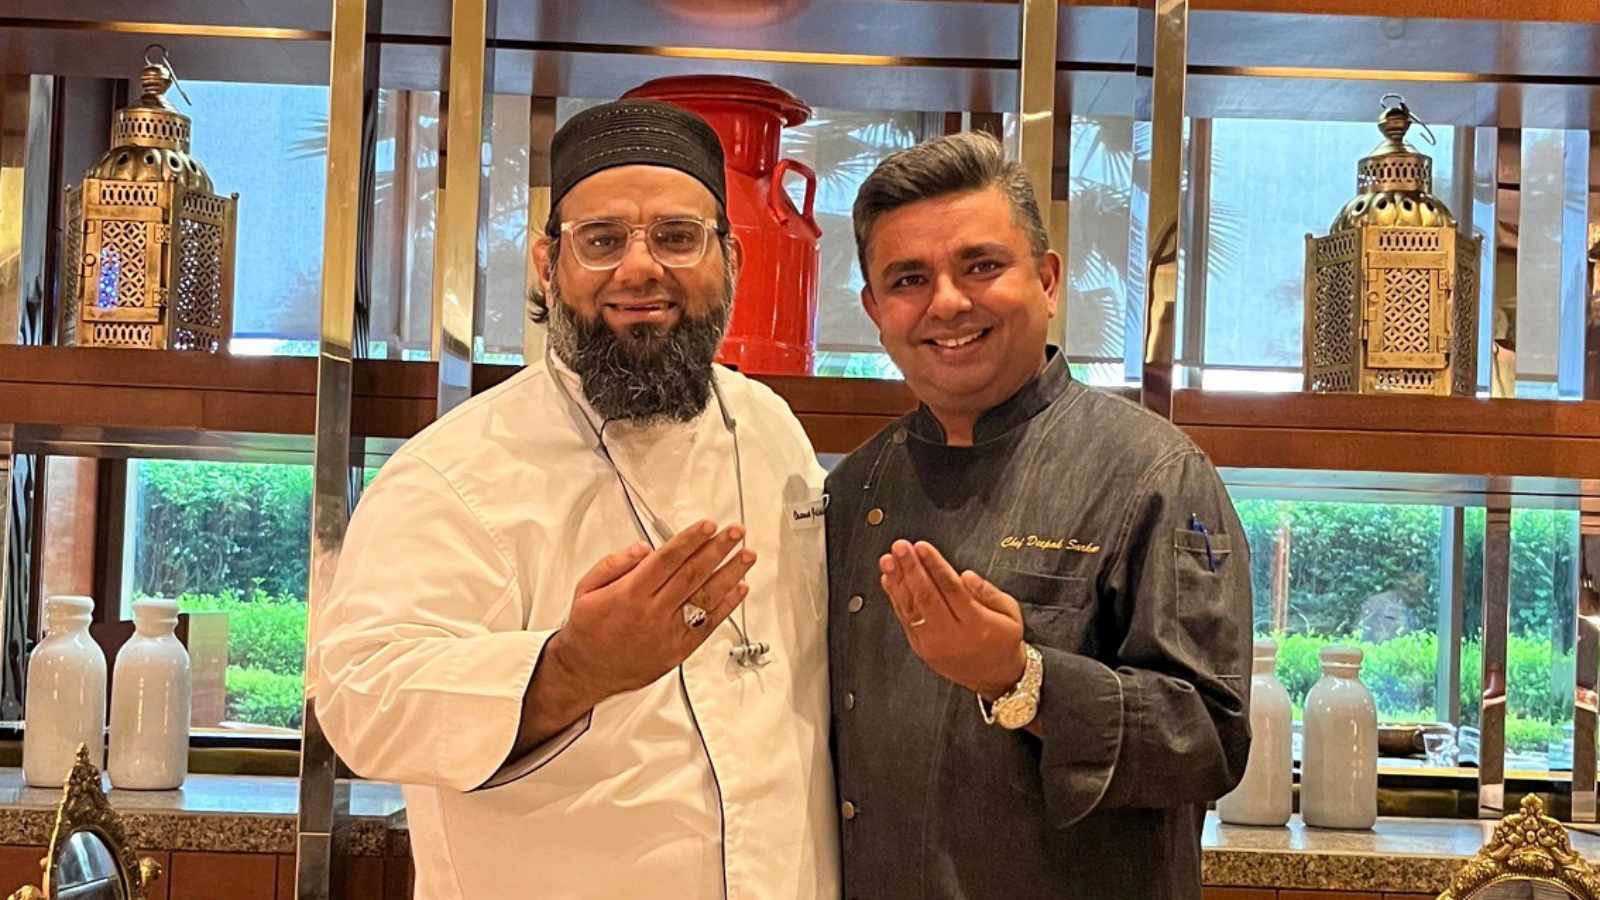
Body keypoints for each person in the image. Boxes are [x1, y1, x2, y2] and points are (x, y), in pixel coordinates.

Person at [313, 100, 839, 900]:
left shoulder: (771, 429)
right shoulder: (452, 470)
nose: (640, 269)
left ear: (731, 258)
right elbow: (362, 701)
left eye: (677, 237)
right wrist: (571, 668)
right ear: (547, 263)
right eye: (601, 240)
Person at [825, 131, 1253, 899]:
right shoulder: (852, 489)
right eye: (909, 279)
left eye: (981, 266)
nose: (947, 302)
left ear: (1048, 280)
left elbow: (1210, 740)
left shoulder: (1154, 473)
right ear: (875, 311)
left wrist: (1021, 678)